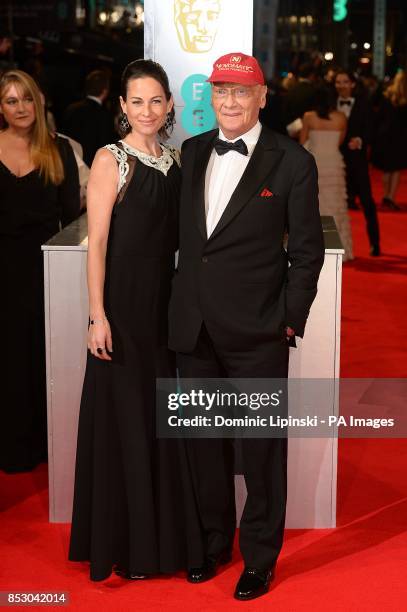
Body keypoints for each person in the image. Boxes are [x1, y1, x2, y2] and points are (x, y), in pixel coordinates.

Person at [168, 53, 325, 601]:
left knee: (260, 449)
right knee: (204, 444)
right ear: (210, 97)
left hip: (258, 332)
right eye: (221, 92)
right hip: (195, 329)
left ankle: (259, 558)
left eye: (241, 92)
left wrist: (288, 320)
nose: (229, 102)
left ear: (262, 98)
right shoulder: (190, 152)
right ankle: (214, 542)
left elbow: (307, 254)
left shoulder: (292, 161)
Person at [69, 59, 205, 581]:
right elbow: (97, 243)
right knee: (126, 421)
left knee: (160, 422)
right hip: (122, 311)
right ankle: (130, 545)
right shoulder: (111, 160)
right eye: (136, 101)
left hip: (163, 309)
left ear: (170, 104)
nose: (147, 110)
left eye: (156, 100)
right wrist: (96, 315)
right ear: (121, 107)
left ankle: (163, 539)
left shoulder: (174, 161)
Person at [0, 69, 80, 473]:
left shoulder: (59, 150)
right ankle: (9, 445)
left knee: (39, 358)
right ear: (1, 108)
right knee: (6, 358)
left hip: (43, 272)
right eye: (11, 101)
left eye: (26, 99)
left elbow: (70, 219)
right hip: (2, 273)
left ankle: (42, 444)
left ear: (39, 101)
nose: (20, 108)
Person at [300, 85, 353, 261]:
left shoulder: (309, 117)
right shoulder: (342, 118)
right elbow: (339, 142)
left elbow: (302, 143)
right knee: (335, 203)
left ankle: (312, 248)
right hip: (334, 163)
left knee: (313, 203)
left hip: (314, 163)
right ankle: (337, 248)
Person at [335, 70, 381, 256]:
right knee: (334, 201)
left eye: (345, 81)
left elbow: (372, 129)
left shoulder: (364, 104)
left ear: (353, 84)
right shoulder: (329, 104)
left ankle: (375, 243)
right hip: (335, 159)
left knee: (367, 202)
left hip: (357, 160)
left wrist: (361, 141)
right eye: (338, 82)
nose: (341, 85)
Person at [63, 70, 115, 167]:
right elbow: (105, 146)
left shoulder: (71, 109)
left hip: (71, 164)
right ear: (105, 91)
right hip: (93, 168)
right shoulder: (104, 115)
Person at [371, 70, 407, 210]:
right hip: (400, 138)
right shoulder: (405, 99)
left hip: (384, 137)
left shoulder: (386, 96)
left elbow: (378, 117)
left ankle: (386, 195)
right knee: (396, 169)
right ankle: (391, 196)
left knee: (386, 169)